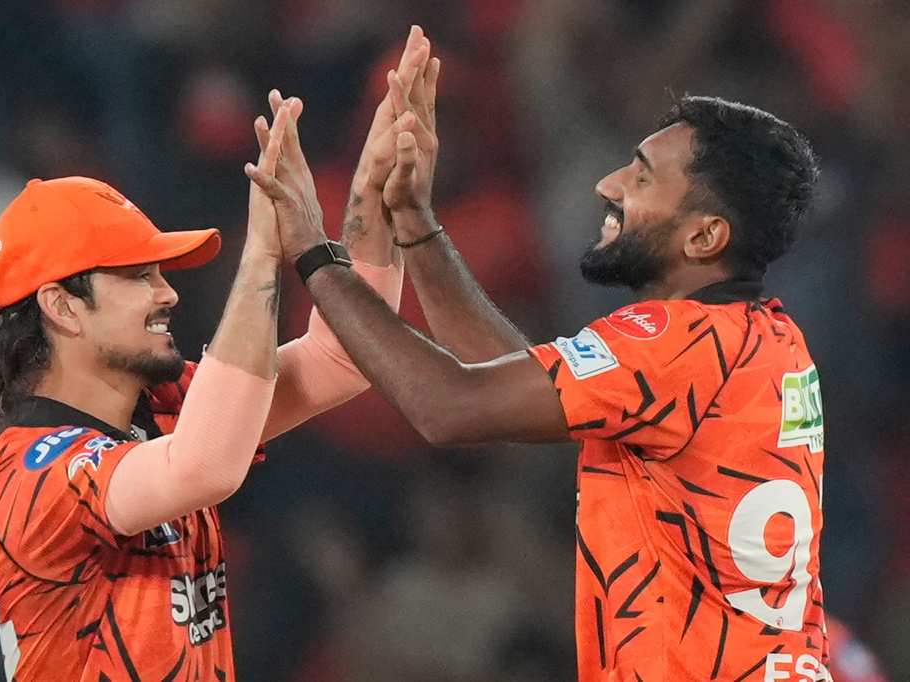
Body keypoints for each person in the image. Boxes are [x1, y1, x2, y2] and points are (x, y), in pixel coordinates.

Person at [248, 48, 829, 681]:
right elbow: (507, 373)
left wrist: (310, 250)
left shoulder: (669, 342)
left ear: (705, 238)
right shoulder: (770, 339)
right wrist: (415, 221)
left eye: (640, 178)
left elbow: (448, 406)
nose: (607, 185)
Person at [0, 26, 431, 681]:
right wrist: (263, 250)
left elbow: (348, 358)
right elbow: (206, 467)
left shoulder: (161, 412)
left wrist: (370, 200)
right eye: (138, 276)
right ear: (62, 306)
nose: (166, 294)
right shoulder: (29, 476)